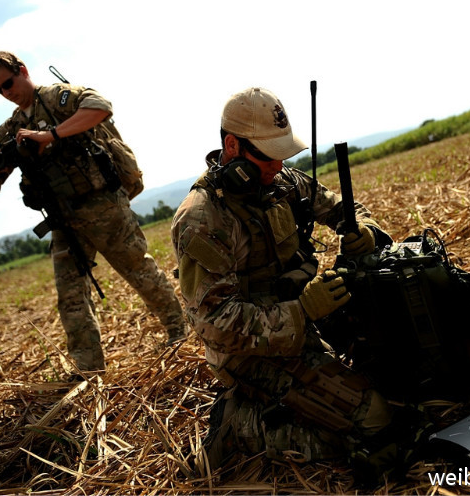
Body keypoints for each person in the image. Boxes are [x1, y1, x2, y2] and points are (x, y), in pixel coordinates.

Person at [171, 87, 416, 474]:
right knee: (378, 430)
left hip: (308, 313)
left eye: (283, 153)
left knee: (408, 376)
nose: (277, 164)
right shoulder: (203, 219)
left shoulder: (283, 181)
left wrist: (363, 229)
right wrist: (301, 312)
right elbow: (215, 325)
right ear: (232, 147)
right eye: (268, 155)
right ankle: (240, 427)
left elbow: (345, 209)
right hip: (250, 352)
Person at [0, 51, 186, 375]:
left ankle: (178, 330)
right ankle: (89, 370)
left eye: (9, 82)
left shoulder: (58, 98)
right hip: (63, 219)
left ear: (23, 71)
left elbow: (100, 107)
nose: (7, 92)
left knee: (139, 272)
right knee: (71, 297)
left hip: (102, 205)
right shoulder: (12, 128)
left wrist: (50, 135)